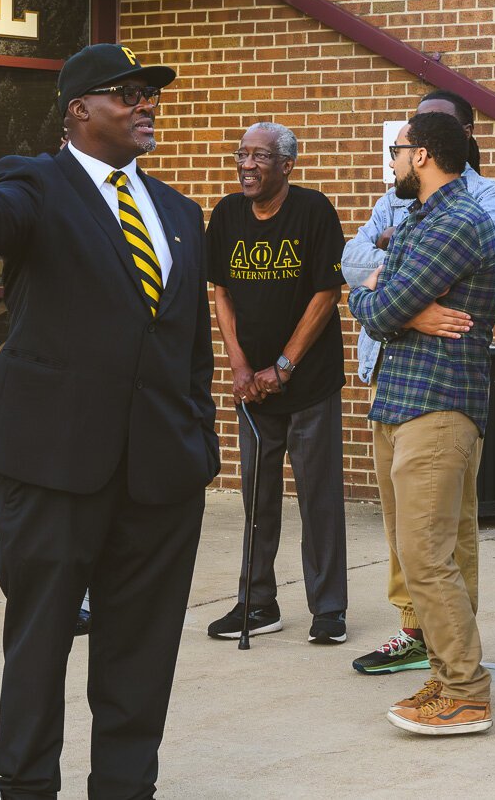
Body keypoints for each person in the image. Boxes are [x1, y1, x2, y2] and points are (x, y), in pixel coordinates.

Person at [0, 43, 218, 799]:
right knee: (40, 643)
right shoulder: (36, 182)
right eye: (127, 94)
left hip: (160, 477)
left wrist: (199, 442)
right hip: (50, 466)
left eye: (149, 94)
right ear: (79, 109)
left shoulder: (182, 214)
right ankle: (24, 785)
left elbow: (189, 349)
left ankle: (125, 785)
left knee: (141, 654)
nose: (145, 104)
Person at [342, 89, 495, 677]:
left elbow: (378, 305)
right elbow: (365, 281)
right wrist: (394, 302)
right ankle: (445, 671)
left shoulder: (460, 220)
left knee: (428, 555)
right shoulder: (419, 216)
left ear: (422, 156)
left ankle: (462, 687)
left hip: (436, 404)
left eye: (397, 150)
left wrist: (383, 301)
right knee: (434, 550)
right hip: (397, 398)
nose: (391, 161)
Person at [204, 121, 349, 644]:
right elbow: (219, 291)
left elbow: (326, 294)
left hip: (308, 385)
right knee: (257, 500)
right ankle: (257, 603)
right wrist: (240, 365)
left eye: (260, 156)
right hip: (253, 394)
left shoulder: (313, 212)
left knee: (319, 500)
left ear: (287, 165)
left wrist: (283, 365)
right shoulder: (226, 214)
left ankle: (329, 609)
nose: (247, 164)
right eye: (242, 154)